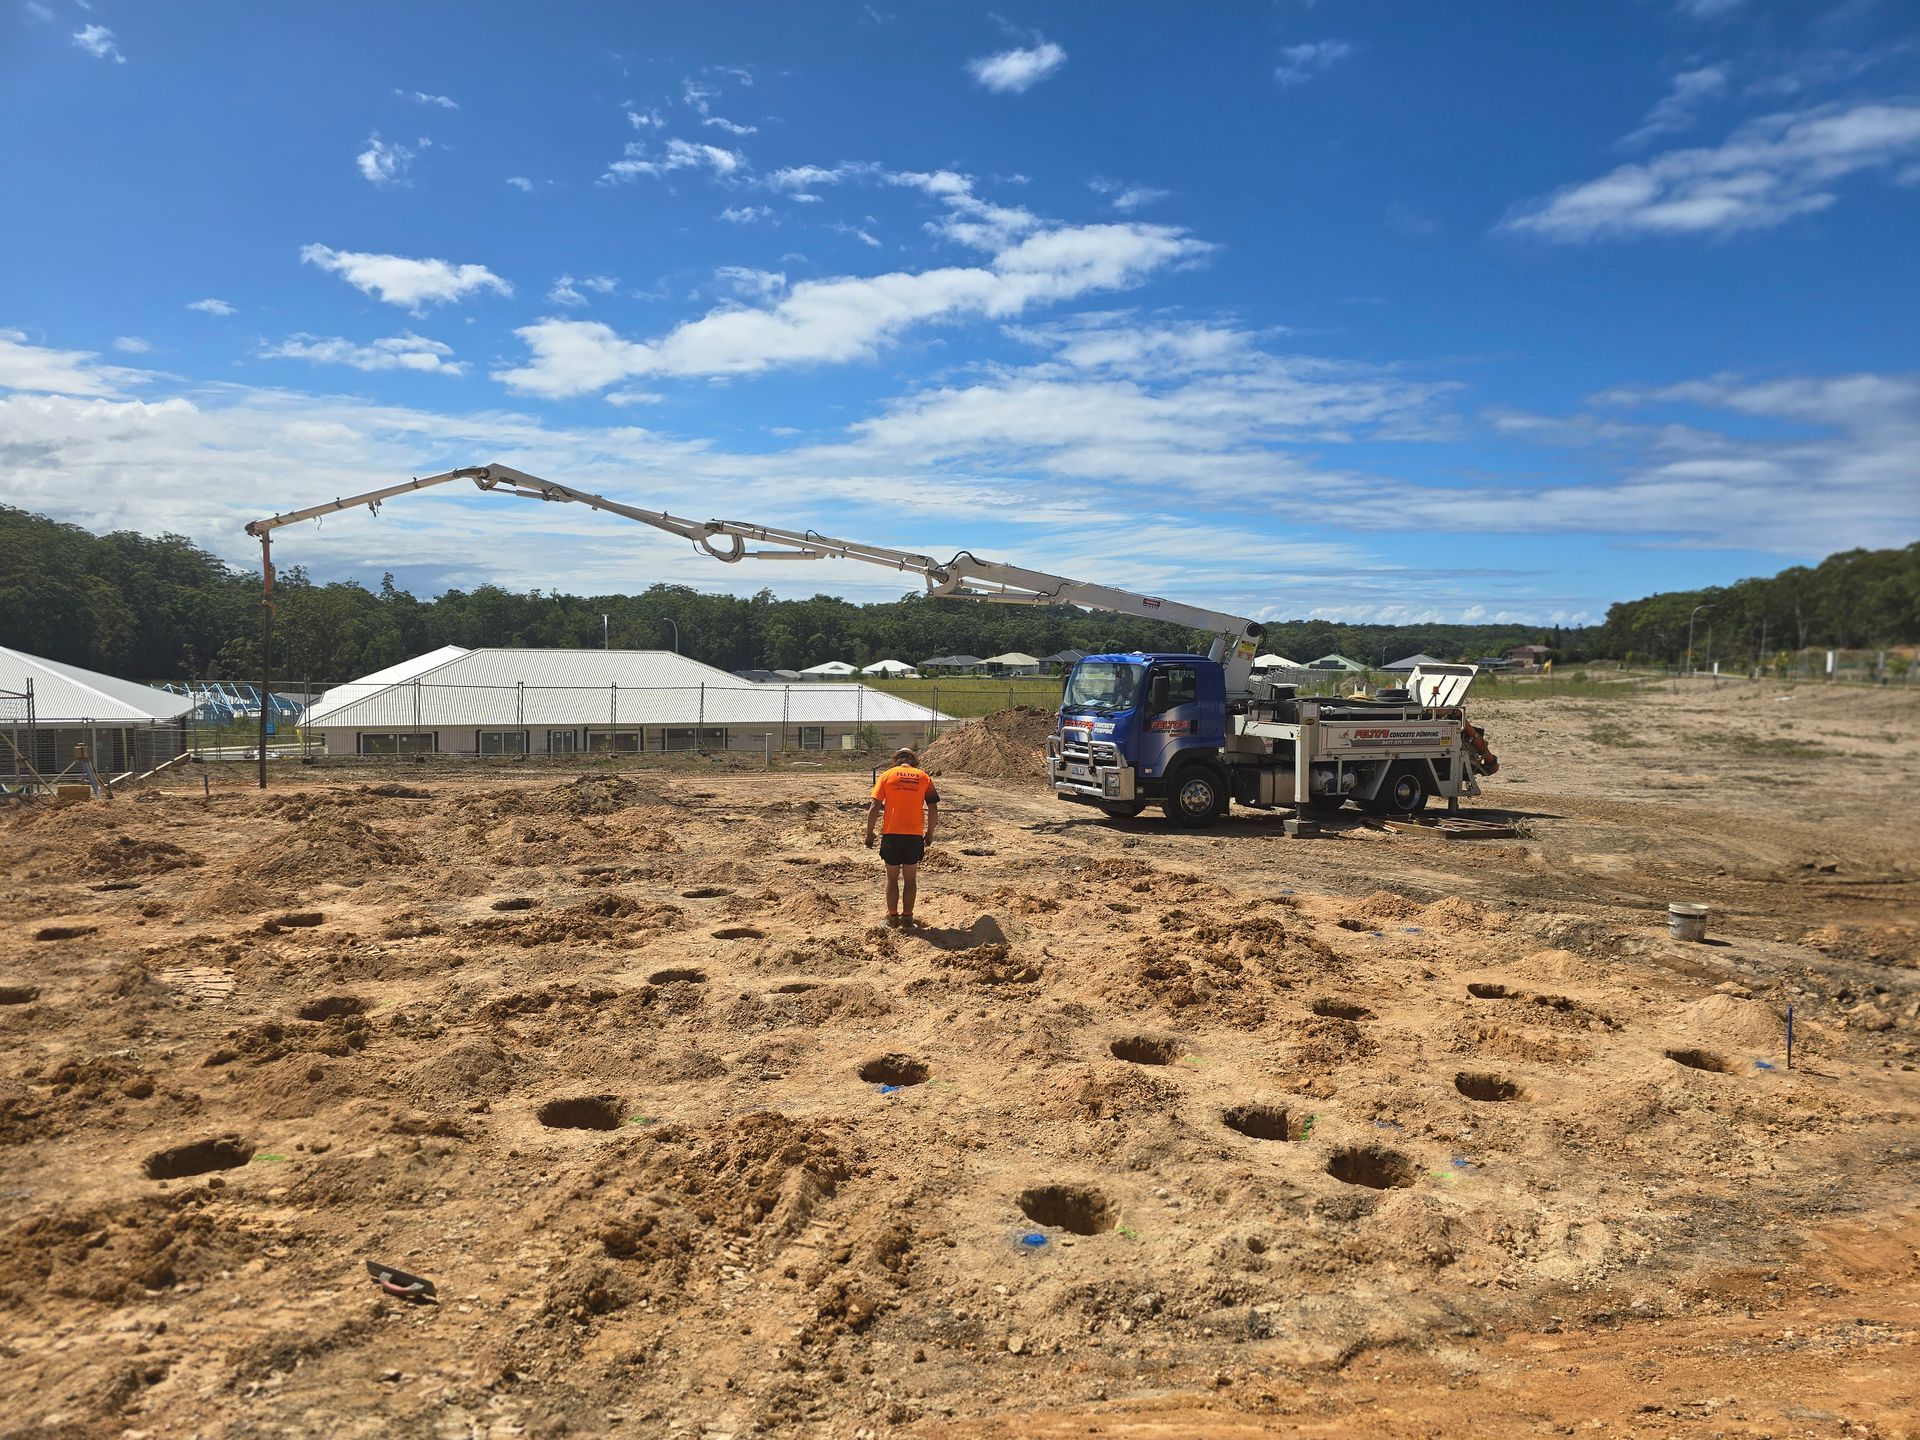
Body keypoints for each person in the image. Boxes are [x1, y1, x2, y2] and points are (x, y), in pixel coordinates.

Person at [865, 747, 940, 928]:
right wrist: (930, 833)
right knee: (910, 879)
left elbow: (875, 806)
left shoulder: (886, 775)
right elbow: (933, 809)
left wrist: (869, 833)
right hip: (914, 836)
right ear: (914, 761)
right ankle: (907, 918)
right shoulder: (923, 777)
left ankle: (892, 918)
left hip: (892, 834)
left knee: (891, 878)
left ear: (896, 760)